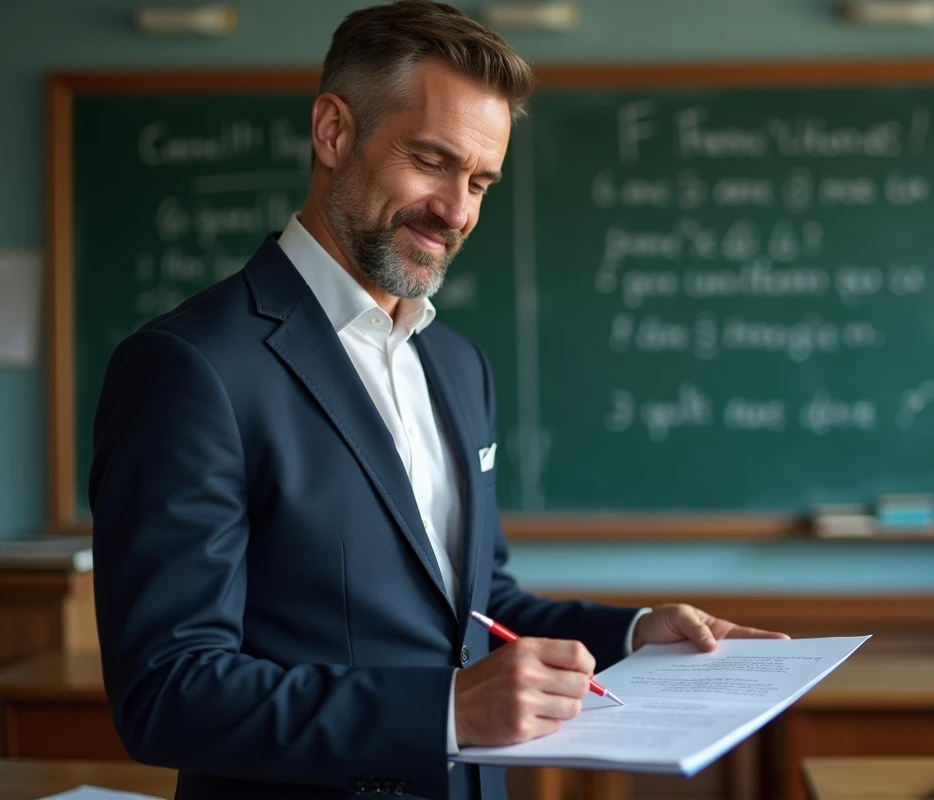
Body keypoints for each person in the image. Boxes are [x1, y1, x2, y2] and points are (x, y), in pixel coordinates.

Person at [90, 2, 787, 798]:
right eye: (431, 161)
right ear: (332, 131)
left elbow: (475, 609)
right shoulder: (188, 368)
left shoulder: (458, 365)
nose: (457, 211)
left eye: (480, 181)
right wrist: (445, 711)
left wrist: (633, 634)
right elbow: (167, 694)